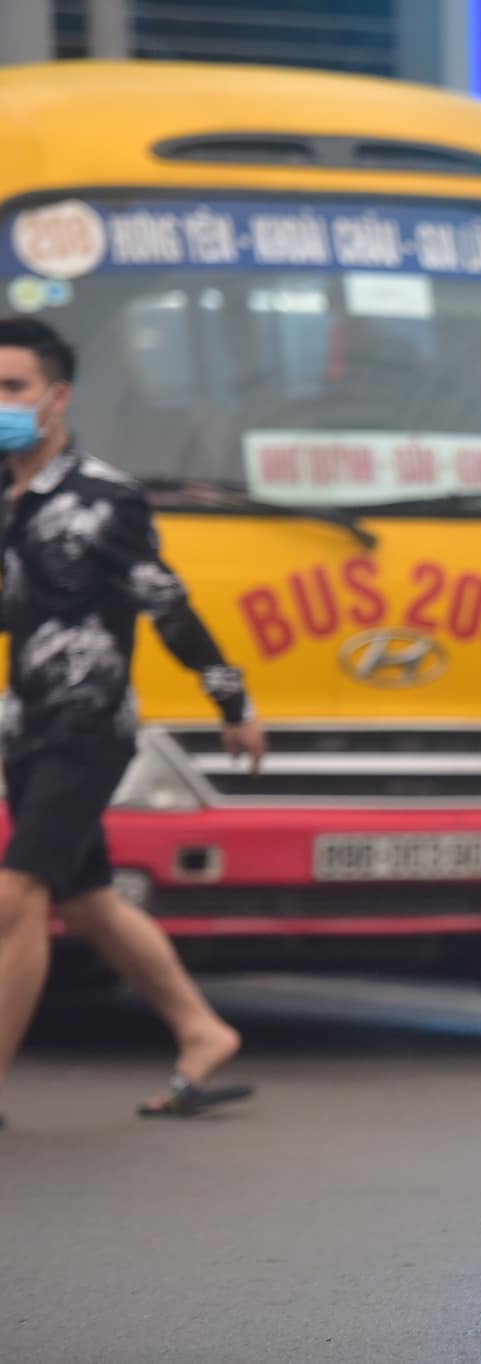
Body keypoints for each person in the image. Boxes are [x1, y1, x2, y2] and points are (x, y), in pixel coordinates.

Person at [0, 316, 266, 1126]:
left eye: (13, 388)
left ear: (57, 397)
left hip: (88, 727)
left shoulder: (105, 499)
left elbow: (168, 605)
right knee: (87, 902)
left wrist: (231, 702)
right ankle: (202, 1030)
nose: (0, 403)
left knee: (15, 898)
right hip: (27, 724)